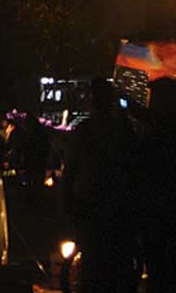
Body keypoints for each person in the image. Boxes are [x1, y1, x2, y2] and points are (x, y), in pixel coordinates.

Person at [62, 78, 138, 293]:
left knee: (94, 262)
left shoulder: (86, 131)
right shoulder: (123, 130)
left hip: (92, 204)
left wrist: (66, 201)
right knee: (117, 262)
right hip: (117, 204)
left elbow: (71, 169)